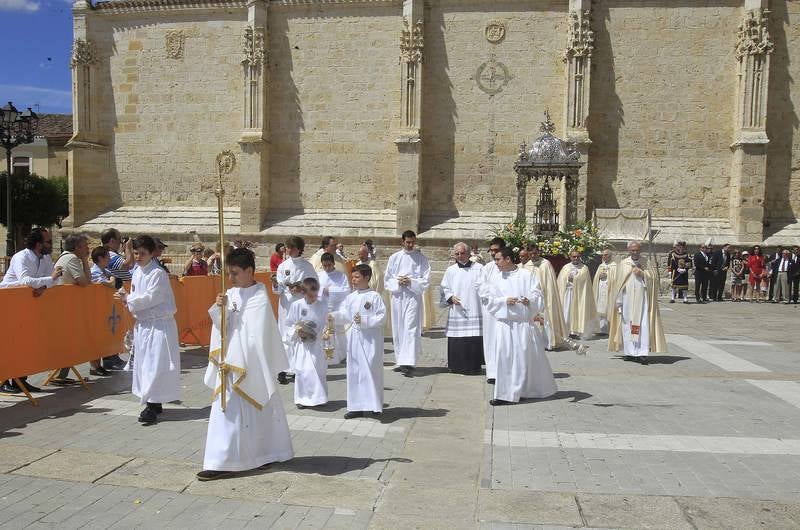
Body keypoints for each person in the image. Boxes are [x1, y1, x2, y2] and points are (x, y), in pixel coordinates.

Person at [198, 247, 293, 481]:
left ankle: (264, 453)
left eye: (235, 273)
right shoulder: (230, 294)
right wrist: (219, 309)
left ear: (250, 271)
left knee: (257, 412)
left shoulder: (259, 297)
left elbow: (256, 335)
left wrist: (236, 356)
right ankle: (221, 460)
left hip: (250, 366)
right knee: (227, 411)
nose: (230, 278)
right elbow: (224, 330)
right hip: (230, 367)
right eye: (228, 273)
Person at [114, 236, 181, 425]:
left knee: (156, 365)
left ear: (152, 253)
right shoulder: (137, 272)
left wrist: (128, 298)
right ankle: (154, 400)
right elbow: (136, 295)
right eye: (135, 253)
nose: (138, 256)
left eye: (142, 253)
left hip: (159, 325)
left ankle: (152, 404)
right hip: (144, 325)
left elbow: (152, 297)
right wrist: (128, 299)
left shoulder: (157, 274)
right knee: (145, 364)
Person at [483, 247, 556, 406]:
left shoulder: (526, 275)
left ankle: (523, 391)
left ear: (508, 259)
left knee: (523, 359)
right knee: (505, 359)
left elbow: (537, 294)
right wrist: (503, 301)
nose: (495, 263)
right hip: (505, 325)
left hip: (523, 325)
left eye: (498, 259)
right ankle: (504, 394)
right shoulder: (495, 278)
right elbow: (488, 300)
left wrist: (529, 301)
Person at [0, 227, 62, 394]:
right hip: (11, 304)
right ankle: (5, 380)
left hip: (30, 306)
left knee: (25, 343)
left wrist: (43, 286)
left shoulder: (46, 258)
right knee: (10, 342)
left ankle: (21, 379)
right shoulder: (22, 257)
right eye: (48, 241)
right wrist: (48, 280)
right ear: (38, 244)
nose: (51, 244)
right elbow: (25, 280)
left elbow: (56, 281)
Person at [329, 263, 386, 419]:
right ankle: (356, 406)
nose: (353, 280)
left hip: (370, 341)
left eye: (356, 277)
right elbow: (345, 315)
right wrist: (333, 316)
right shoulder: (350, 297)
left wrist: (365, 320)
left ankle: (375, 406)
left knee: (371, 371)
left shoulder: (374, 297)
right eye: (352, 277)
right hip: (354, 340)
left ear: (366, 278)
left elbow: (382, 317)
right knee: (354, 371)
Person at [54, 233, 108, 381]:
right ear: (77, 247)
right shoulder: (71, 259)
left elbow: (87, 280)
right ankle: (59, 374)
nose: (88, 248)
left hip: (69, 306)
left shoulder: (72, 258)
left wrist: (84, 259)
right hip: (67, 306)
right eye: (85, 246)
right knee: (68, 340)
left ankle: (61, 374)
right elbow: (84, 282)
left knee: (70, 340)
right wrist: (84, 260)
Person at [608, 241, 667, 363]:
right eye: (633, 250)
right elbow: (618, 284)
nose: (635, 252)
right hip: (627, 300)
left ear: (640, 250)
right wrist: (618, 301)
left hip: (643, 300)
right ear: (628, 250)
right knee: (627, 325)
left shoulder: (646, 262)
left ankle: (641, 352)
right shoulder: (624, 264)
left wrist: (643, 274)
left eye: (637, 250)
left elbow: (654, 279)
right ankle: (629, 352)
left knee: (643, 325)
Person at [271, 236, 317, 384]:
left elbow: (314, 286)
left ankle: (298, 369)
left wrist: (301, 289)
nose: (289, 250)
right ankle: (283, 369)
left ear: (299, 249)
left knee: (298, 336)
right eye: (287, 247)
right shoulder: (283, 266)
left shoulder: (307, 266)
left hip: (300, 305)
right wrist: (276, 284)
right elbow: (278, 288)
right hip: (286, 305)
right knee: (284, 335)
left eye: (292, 248)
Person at [384, 230, 430, 375]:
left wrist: (411, 282)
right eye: (408, 242)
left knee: (411, 327)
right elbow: (388, 278)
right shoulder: (394, 258)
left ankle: (409, 362)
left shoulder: (421, 259)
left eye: (413, 242)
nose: (410, 245)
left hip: (412, 297)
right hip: (398, 297)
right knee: (399, 328)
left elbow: (426, 279)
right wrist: (398, 282)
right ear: (402, 242)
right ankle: (400, 360)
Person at [440, 242, 484, 375]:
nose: (459, 256)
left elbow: (485, 286)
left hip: (475, 307)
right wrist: (450, 297)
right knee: (458, 339)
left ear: (469, 253)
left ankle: (474, 367)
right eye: (457, 253)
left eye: (462, 253)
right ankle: (456, 366)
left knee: (473, 338)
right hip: (457, 310)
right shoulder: (451, 270)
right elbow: (444, 288)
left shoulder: (479, 268)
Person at [284, 277, 329, 408]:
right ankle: (302, 399)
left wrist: (324, 334)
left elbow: (327, 325)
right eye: (310, 296)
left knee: (317, 370)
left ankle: (319, 398)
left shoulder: (322, 306)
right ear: (303, 293)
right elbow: (289, 324)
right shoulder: (296, 305)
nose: (314, 298)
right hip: (302, 344)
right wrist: (298, 332)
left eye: (316, 295)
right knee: (302, 370)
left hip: (317, 344)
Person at [523, 244, 568, 350]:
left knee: (546, 318)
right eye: (531, 254)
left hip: (545, 297)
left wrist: (546, 295)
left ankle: (548, 342)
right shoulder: (527, 266)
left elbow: (550, 284)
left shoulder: (546, 264)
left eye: (535, 253)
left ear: (539, 252)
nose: (533, 256)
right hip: (531, 297)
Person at [101, 228, 134, 369]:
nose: (121, 242)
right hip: (113, 296)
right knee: (111, 328)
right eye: (120, 239)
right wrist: (128, 248)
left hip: (118, 295)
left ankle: (113, 355)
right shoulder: (109, 254)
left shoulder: (113, 254)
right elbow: (128, 265)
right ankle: (110, 357)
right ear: (112, 240)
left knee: (116, 328)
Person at [477, 237, 505, 383]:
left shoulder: (510, 267)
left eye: (496, 250)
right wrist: (495, 296)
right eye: (491, 251)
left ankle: (505, 370)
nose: (493, 254)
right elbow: (481, 288)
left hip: (506, 310)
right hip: (490, 310)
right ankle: (492, 372)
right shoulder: (487, 268)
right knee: (490, 340)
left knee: (504, 341)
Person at [317, 252, 351, 364]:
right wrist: (322, 290)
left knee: (338, 332)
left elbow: (346, 290)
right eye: (324, 266)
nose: (327, 268)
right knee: (324, 332)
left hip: (337, 308)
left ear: (333, 263)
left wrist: (330, 291)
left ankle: (341, 356)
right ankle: (325, 356)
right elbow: (314, 290)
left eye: (329, 265)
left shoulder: (341, 276)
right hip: (323, 308)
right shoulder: (319, 275)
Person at [557, 250, 598, 339]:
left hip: (579, 295)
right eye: (574, 256)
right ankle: (566, 330)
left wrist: (575, 279)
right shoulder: (566, 267)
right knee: (567, 312)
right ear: (570, 257)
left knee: (578, 312)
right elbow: (560, 281)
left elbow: (584, 282)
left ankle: (575, 332)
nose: (576, 258)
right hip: (567, 293)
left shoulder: (584, 268)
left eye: (578, 257)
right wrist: (567, 279)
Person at [593, 248, 617, 334]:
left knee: (608, 307)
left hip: (609, 290)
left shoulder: (614, 266)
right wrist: (599, 276)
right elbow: (596, 278)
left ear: (610, 256)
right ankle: (600, 328)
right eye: (603, 255)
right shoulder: (601, 266)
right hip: (601, 289)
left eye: (606, 255)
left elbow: (616, 279)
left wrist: (608, 276)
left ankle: (609, 328)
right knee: (600, 308)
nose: (603, 256)